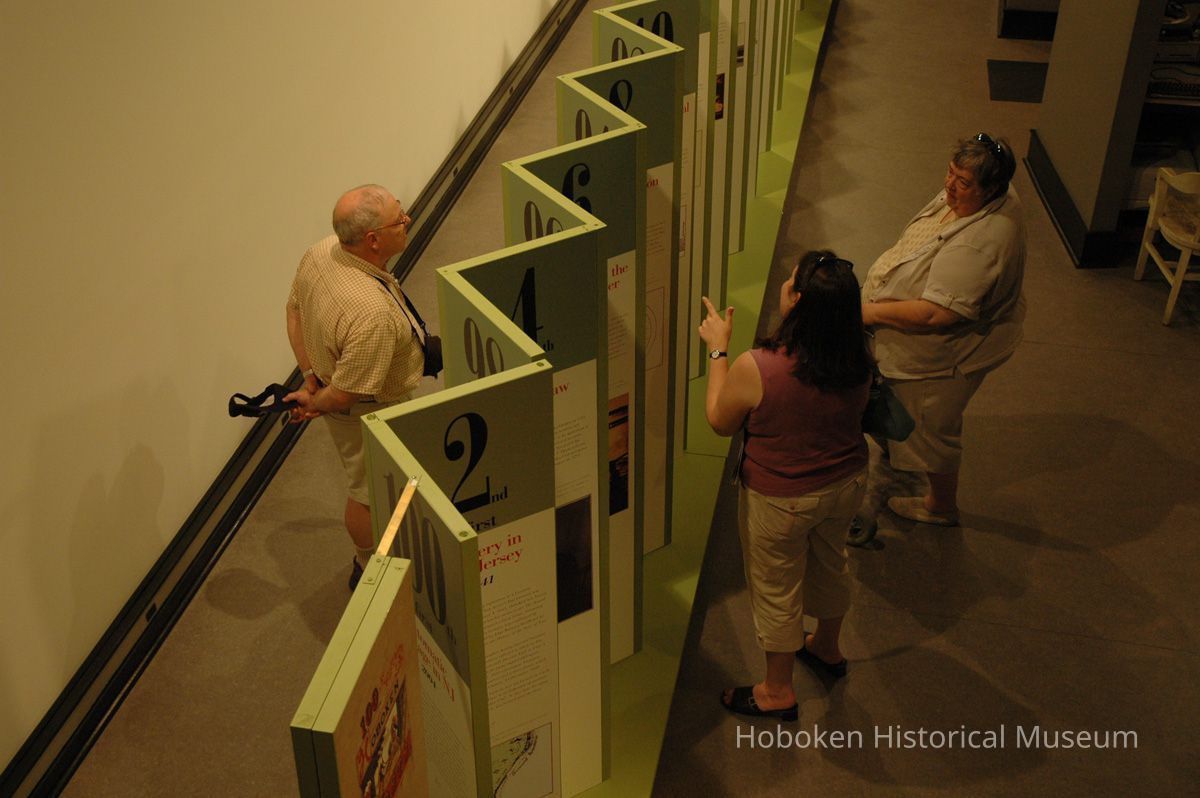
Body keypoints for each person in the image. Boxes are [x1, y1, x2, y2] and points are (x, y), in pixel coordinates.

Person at [699, 251, 873, 721]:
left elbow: (719, 420)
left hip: (781, 498)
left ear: (797, 300)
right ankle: (828, 647)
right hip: (847, 482)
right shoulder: (858, 353)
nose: (783, 283)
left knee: (776, 587)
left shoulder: (760, 366)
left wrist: (718, 350)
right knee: (832, 562)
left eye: (790, 281)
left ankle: (777, 691)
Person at [859, 134, 1025, 530]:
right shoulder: (980, 196)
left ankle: (940, 505)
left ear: (991, 190)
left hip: (940, 360)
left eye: (962, 182)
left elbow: (936, 314)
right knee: (907, 414)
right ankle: (895, 445)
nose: (949, 186)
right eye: (950, 173)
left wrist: (866, 312)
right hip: (914, 338)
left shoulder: (980, 243)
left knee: (931, 428)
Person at [284, 184, 427, 589]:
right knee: (366, 489)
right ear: (373, 240)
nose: (408, 220)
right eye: (399, 219)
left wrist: (309, 375)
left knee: (383, 477)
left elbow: (293, 310)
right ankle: (367, 566)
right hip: (367, 408)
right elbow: (347, 393)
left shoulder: (321, 251)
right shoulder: (371, 315)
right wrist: (317, 400)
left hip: (340, 389)